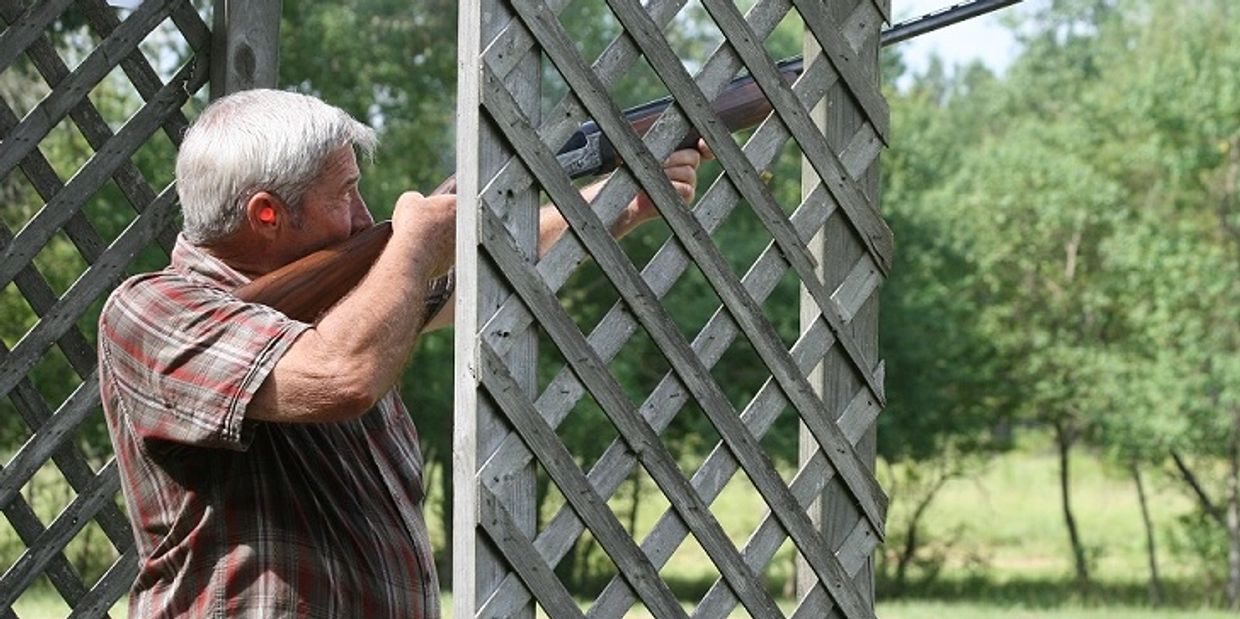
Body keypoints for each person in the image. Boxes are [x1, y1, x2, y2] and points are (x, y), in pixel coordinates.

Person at [98, 88, 709, 618]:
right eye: (346, 193)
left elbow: (482, 275)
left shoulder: (345, 305)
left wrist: (616, 206)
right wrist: (413, 247)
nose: (367, 215)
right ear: (267, 214)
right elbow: (342, 376)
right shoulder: (153, 311)